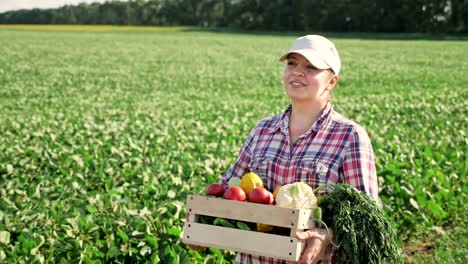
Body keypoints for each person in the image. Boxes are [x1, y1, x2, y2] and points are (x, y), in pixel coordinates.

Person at [189, 35, 379, 264]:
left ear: (331, 81)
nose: (298, 72)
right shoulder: (262, 130)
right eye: (292, 63)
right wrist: (205, 219)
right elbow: (229, 188)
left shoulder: (349, 137)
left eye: (311, 67)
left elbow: (367, 221)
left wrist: (327, 235)